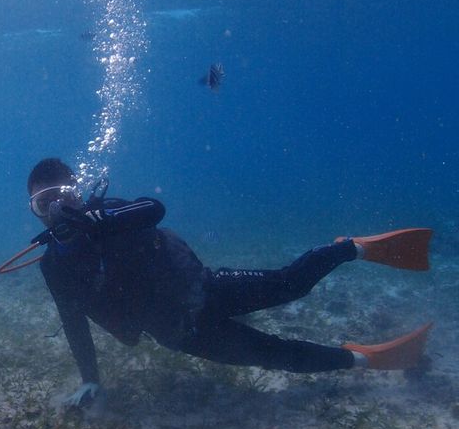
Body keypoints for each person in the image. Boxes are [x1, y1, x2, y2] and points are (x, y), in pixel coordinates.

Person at [22, 158, 432, 407]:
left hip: (205, 289)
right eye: (45, 204)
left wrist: (101, 219)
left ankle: (352, 248)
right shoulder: (54, 267)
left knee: (291, 284)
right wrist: (90, 379)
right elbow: (74, 322)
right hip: (179, 333)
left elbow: (154, 209)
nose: (59, 210)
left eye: (65, 197)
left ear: (78, 192)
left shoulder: (108, 213)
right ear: (36, 214)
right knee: (275, 355)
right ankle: (367, 359)